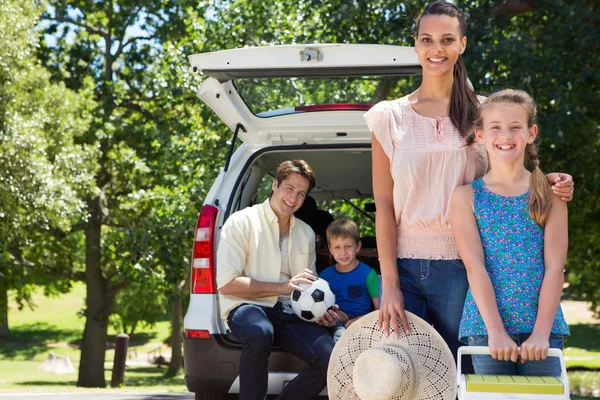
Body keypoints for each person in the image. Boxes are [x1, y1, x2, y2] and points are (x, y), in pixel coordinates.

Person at [365, 0, 574, 364]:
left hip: (465, 266)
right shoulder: (388, 117)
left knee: (458, 375)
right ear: (415, 44)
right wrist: (390, 283)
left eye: (447, 39)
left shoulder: (482, 112)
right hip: (404, 267)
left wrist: (550, 180)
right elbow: (384, 204)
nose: (437, 49)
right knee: (404, 373)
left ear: (461, 44)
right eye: (427, 39)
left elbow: (509, 167)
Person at [452, 89, 570, 376]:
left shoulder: (550, 194)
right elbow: (475, 266)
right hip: (486, 330)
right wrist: (496, 331)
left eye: (515, 127)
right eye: (495, 128)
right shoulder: (465, 196)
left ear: (531, 133)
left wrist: (541, 333)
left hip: (543, 329)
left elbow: (555, 268)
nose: (505, 135)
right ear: (480, 135)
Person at [216, 159, 348, 400]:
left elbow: (307, 286)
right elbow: (227, 284)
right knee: (259, 331)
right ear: (275, 184)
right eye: (289, 189)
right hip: (246, 307)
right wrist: (282, 287)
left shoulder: (306, 233)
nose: (294, 198)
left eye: (301, 194)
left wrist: (323, 311)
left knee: (329, 357)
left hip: (290, 311)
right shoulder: (241, 222)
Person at [319, 218, 380, 342]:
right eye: (337, 247)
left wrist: (358, 321)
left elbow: (380, 310)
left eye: (348, 246)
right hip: (336, 323)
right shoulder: (325, 276)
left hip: (364, 322)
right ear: (330, 249)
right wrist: (334, 312)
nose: (343, 252)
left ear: (358, 246)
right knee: (340, 335)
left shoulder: (369, 274)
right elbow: (320, 307)